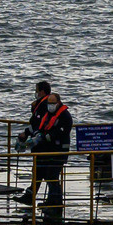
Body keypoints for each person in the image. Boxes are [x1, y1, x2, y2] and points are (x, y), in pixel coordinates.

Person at [21, 81, 74, 210]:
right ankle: (47, 199)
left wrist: (44, 137)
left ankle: (55, 201)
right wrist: (36, 135)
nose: (49, 106)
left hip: (58, 150)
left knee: (52, 176)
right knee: (45, 174)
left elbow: (60, 131)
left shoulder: (65, 116)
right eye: (49, 103)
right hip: (49, 149)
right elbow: (40, 126)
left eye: (52, 104)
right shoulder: (49, 114)